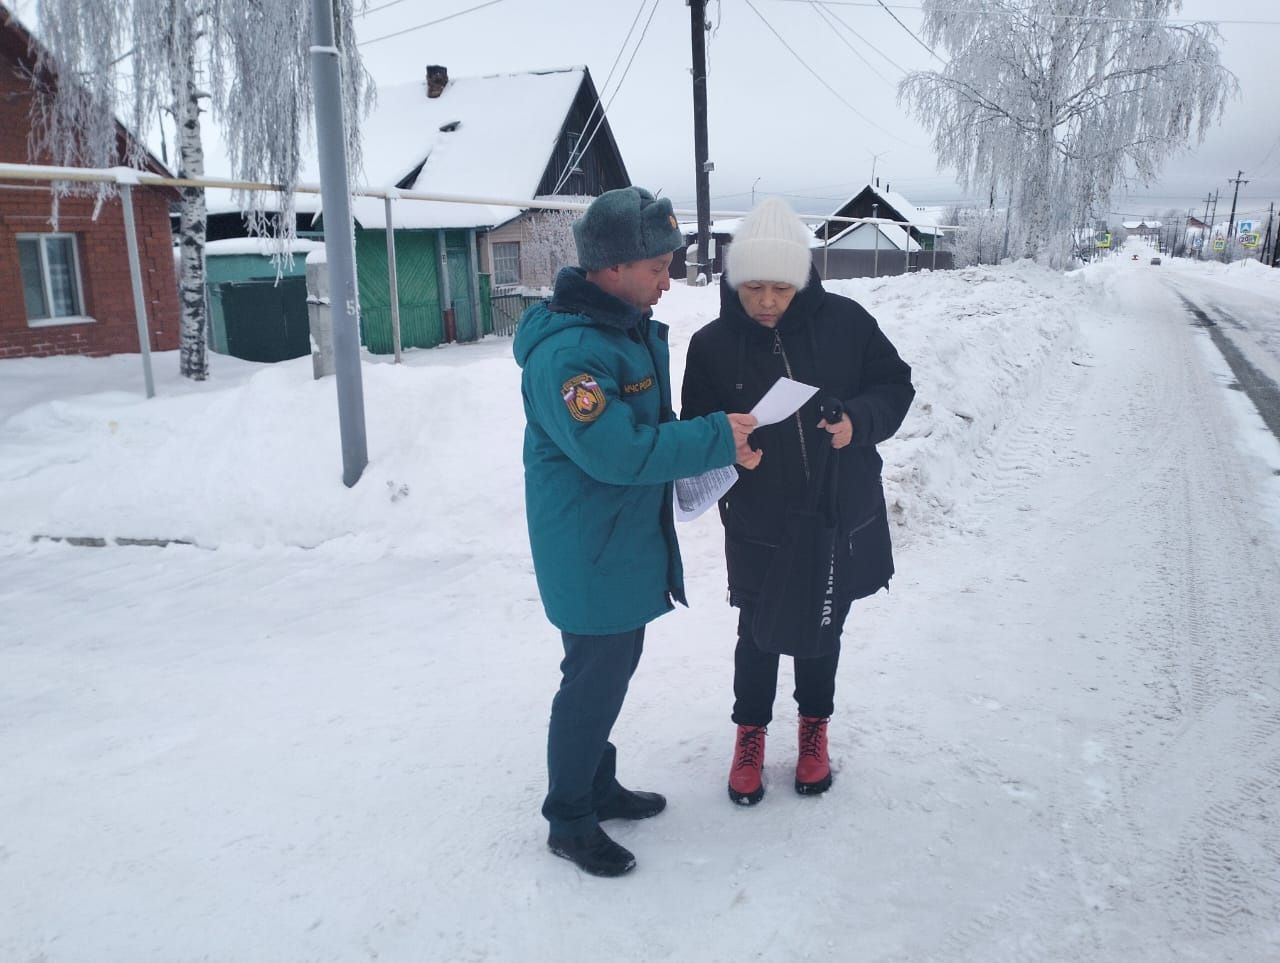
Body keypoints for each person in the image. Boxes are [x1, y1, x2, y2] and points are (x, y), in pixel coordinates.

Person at [513, 186, 759, 876]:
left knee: (609, 672)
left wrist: (712, 443)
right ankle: (569, 816)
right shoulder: (572, 358)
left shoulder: (615, 332)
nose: (667, 279)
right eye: (657, 266)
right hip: (590, 551)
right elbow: (618, 451)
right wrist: (714, 438)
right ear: (613, 268)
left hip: (616, 542)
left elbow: (642, 434)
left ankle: (595, 781)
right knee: (593, 679)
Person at [680, 196, 914, 806]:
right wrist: (729, 451)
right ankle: (749, 738)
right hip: (759, 519)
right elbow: (694, 426)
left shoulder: (848, 323)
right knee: (756, 631)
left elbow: (895, 385)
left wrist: (856, 422)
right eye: (752, 287)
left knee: (824, 622)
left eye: (779, 288)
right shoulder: (710, 345)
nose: (764, 302)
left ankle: (814, 732)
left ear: (802, 280)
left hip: (838, 508)